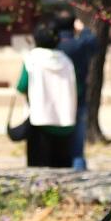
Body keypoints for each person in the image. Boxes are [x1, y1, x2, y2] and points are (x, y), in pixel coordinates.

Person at [18, 25, 77, 168]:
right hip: (65, 121)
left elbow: (21, 86)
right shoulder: (66, 60)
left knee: (39, 170)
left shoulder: (32, 59)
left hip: (40, 121)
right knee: (63, 170)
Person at [54, 8, 99, 170]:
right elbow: (94, 42)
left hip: (54, 100)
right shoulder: (79, 45)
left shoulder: (54, 46)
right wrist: (84, 29)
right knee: (77, 144)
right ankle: (78, 169)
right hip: (77, 96)